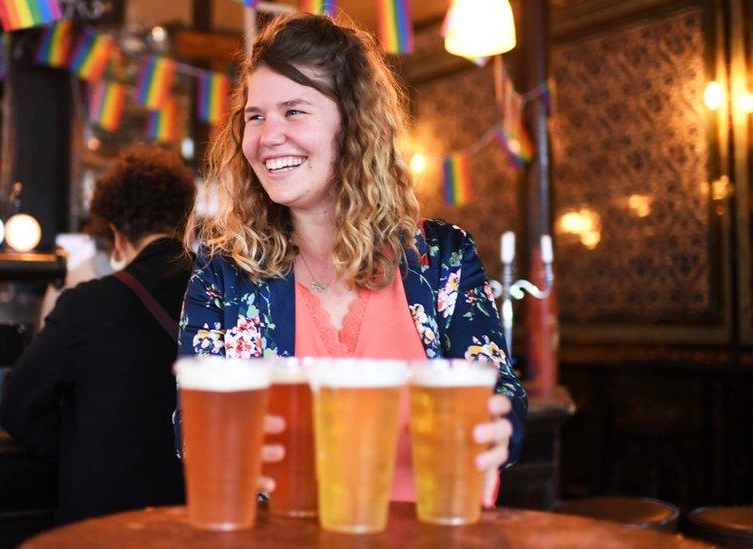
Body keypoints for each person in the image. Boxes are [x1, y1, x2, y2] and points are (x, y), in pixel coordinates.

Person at [177, 13, 527, 506]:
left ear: (354, 122)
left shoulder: (442, 258)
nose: (267, 136)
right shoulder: (224, 275)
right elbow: (193, 431)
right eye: (255, 116)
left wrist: (500, 427)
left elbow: (499, 391)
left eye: (294, 111)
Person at [1, 145, 196, 524]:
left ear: (116, 231)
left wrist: (83, 446)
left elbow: (17, 407)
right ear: (182, 221)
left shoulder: (86, 306)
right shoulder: (223, 299)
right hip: (194, 520)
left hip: (107, 523)